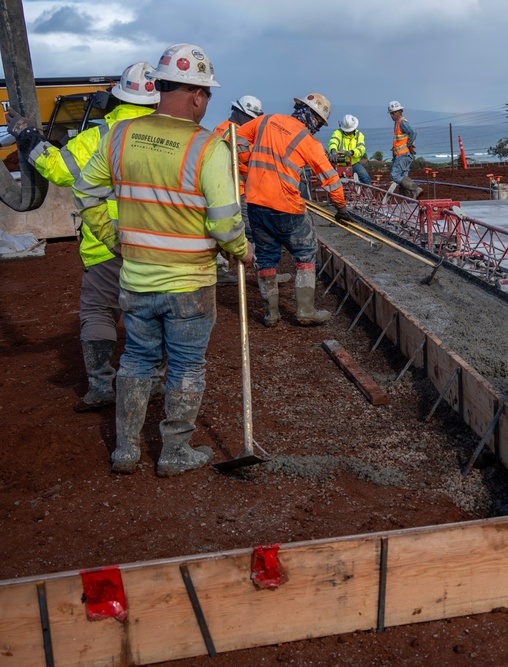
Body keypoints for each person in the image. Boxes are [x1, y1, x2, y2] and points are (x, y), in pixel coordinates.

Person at [74, 43, 253, 477]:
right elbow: (226, 223)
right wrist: (240, 250)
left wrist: (111, 235)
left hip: (136, 279)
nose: (206, 103)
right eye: (207, 94)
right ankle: (174, 451)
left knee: (136, 359)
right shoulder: (207, 148)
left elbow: (86, 190)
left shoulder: (119, 137)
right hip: (190, 283)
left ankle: (126, 451)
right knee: (187, 365)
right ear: (195, 95)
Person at [6, 62, 159, 412]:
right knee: (153, 313)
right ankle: (152, 382)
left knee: (99, 312)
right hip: (158, 243)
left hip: (106, 243)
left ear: (117, 97)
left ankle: (102, 386)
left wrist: (29, 138)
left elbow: (60, 172)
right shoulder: (169, 137)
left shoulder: (98, 137)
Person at [237, 92, 349, 327]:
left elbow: (236, 138)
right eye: (319, 123)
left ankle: (272, 315)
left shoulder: (266, 120)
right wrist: (341, 208)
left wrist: (248, 161)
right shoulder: (308, 141)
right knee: (306, 252)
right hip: (287, 207)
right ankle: (305, 312)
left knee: (266, 257)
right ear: (315, 119)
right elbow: (330, 178)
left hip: (255, 202)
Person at [212, 95, 264, 286]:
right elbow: (245, 160)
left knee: (219, 229)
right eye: (251, 118)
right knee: (251, 230)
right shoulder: (234, 132)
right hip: (234, 189)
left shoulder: (221, 127)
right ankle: (265, 272)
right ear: (240, 113)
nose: (252, 122)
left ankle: (221, 270)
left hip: (223, 187)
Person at [387, 100, 422, 198]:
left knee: (394, 176)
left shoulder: (401, 122)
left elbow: (413, 132)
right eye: (391, 113)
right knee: (403, 177)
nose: (392, 115)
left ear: (399, 111)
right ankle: (406, 198)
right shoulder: (398, 122)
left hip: (403, 155)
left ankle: (415, 189)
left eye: (393, 113)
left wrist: (409, 144)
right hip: (404, 155)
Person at [327, 113, 371, 185]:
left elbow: (361, 149)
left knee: (365, 178)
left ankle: (367, 194)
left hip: (354, 163)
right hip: (339, 163)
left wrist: (352, 152)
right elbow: (333, 141)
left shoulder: (359, 135)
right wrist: (333, 150)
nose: (349, 132)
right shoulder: (338, 133)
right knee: (333, 182)